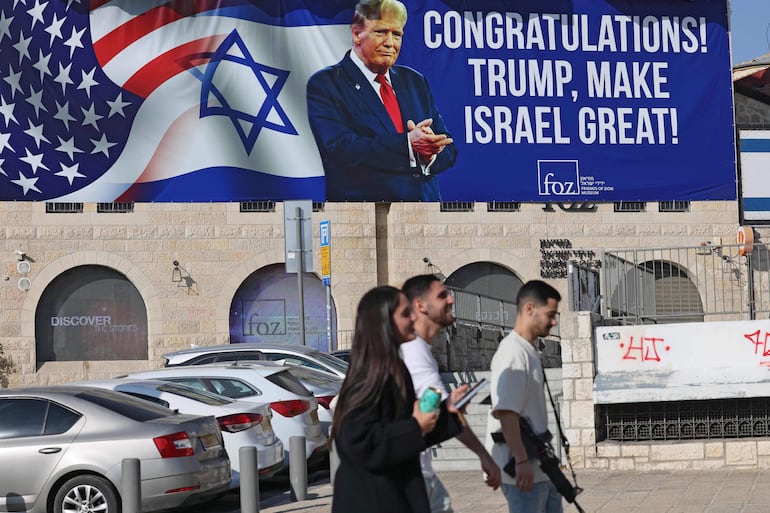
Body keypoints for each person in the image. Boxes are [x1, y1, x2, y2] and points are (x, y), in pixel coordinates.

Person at [331, 286, 466, 513]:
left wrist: (447, 411)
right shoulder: (369, 376)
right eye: (405, 313)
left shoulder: (395, 369)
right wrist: (416, 426)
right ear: (384, 323)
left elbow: (403, 433)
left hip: (396, 493)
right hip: (372, 500)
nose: (414, 317)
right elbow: (359, 442)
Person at [306, 0, 457, 201]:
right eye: (381, 32)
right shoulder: (326, 83)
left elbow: (448, 147)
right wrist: (408, 145)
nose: (390, 43)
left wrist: (429, 154)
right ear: (356, 34)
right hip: (364, 217)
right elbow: (340, 150)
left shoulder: (414, 81)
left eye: (397, 34)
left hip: (425, 217)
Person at [400, 274, 502, 513]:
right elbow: (426, 413)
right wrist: (484, 456)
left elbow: (431, 411)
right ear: (420, 306)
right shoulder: (413, 352)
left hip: (418, 474)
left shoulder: (417, 349)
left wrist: (448, 408)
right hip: (410, 480)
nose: (451, 300)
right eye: (442, 295)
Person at [485, 280, 563, 513]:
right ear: (530, 309)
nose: (554, 321)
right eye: (550, 314)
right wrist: (520, 460)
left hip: (539, 468)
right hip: (524, 470)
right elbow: (507, 412)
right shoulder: (513, 352)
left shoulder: (527, 350)